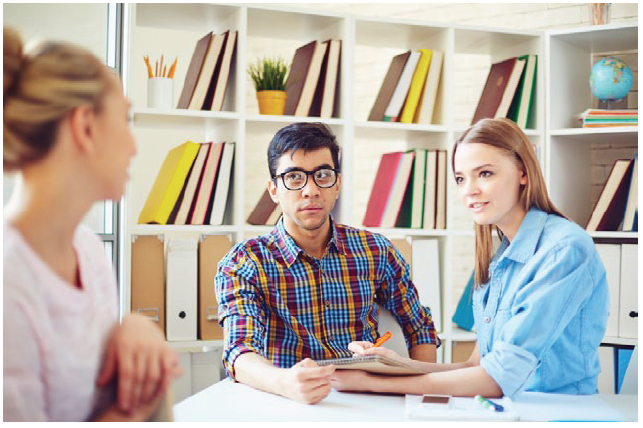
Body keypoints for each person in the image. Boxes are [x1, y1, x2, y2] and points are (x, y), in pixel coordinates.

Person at [330, 118, 609, 398]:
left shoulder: (564, 250)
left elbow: (495, 379)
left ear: (523, 172)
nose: (469, 190)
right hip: (507, 411)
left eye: (485, 173)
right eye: (461, 178)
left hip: (557, 412)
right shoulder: (501, 257)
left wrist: (372, 384)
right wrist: (389, 364)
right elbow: (476, 367)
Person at [3, 27, 182, 421]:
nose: (134, 146)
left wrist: (133, 328)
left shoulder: (88, 250)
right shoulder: (8, 284)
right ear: (85, 127)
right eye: (125, 118)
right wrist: (130, 415)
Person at [215, 122, 440, 404]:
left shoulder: (376, 251)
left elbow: (419, 327)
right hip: (283, 399)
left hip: (367, 399)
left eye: (322, 175)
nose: (310, 190)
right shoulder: (244, 262)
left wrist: (425, 397)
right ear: (274, 190)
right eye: (295, 177)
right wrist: (285, 383)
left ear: (337, 184)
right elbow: (239, 351)